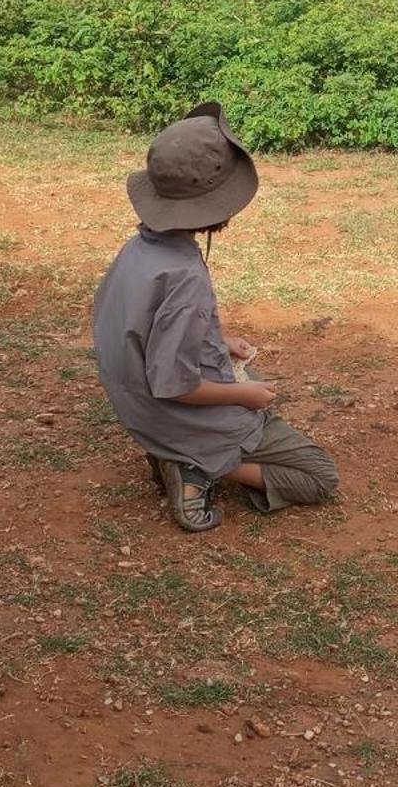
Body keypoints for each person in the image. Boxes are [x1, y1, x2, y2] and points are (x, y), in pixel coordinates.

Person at [92, 101, 340, 533]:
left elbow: (145, 328)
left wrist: (217, 340)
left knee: (246, 373)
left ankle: (185, 451)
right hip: (170, 411)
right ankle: (198, 466)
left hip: (137, 406)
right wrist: (245, 396)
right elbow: (175, 384)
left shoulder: (141, 249)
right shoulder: (185, 274)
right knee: (318, 476)